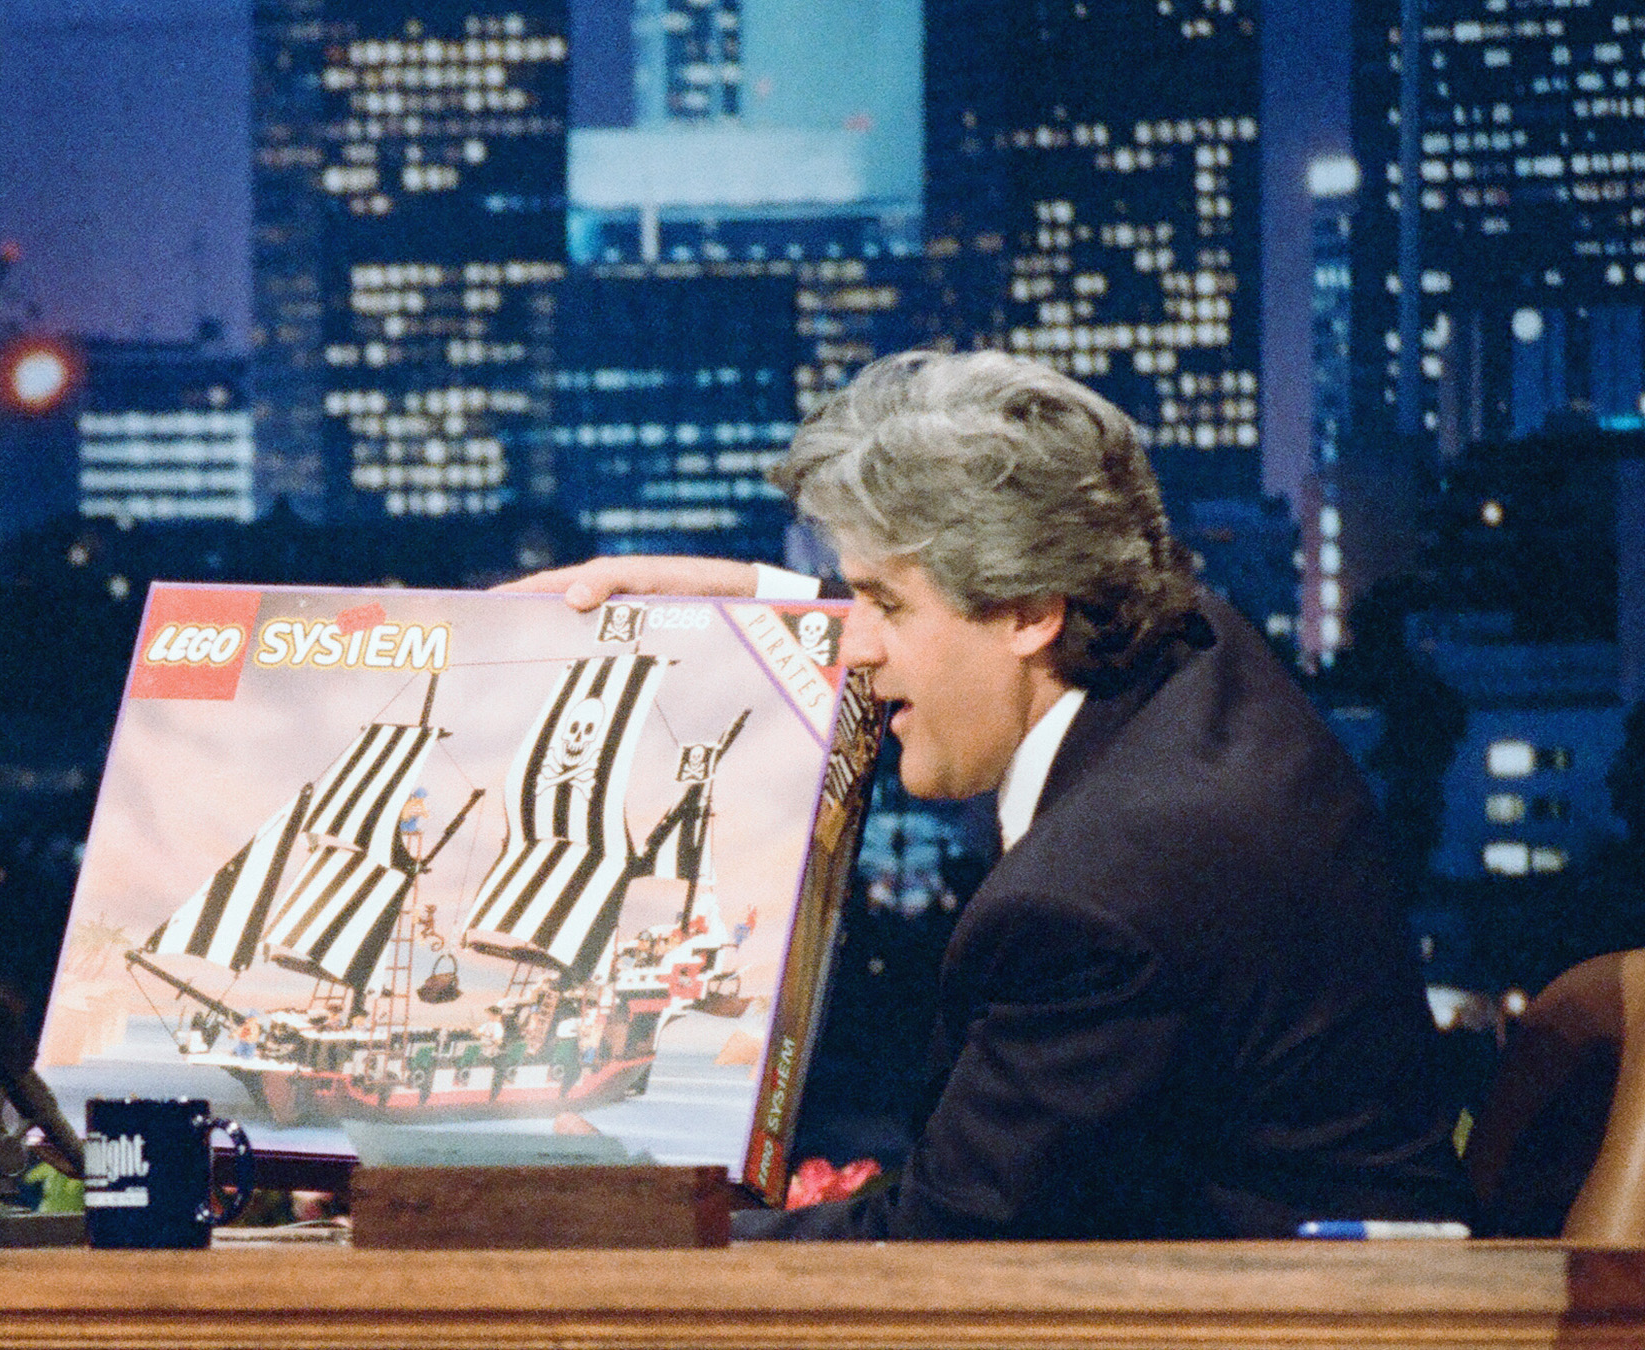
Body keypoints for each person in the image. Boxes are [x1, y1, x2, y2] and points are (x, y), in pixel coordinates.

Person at [507, 348, 1472, 1239]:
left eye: (882, 604)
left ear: (1028, 611)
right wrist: (742, 598)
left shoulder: (1101, 896)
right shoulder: (1187, 651)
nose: (856, 646)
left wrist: (591, 1233)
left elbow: (932, 1251)